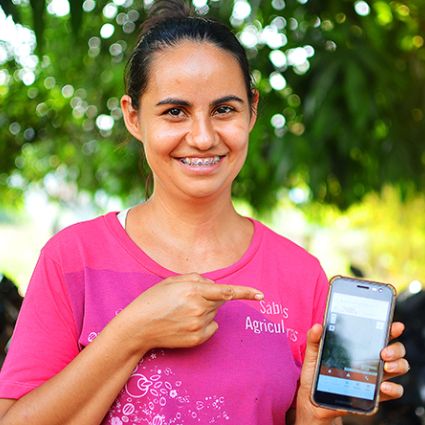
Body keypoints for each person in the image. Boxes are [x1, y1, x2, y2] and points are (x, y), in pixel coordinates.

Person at [0, 1, 408, 424]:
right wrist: (134, 330)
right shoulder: (72, 259)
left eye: (223, 109)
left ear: (251, 110)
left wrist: (313, 416)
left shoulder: (301, 277)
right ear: (133, 117)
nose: (202, 136)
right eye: (175, 112)